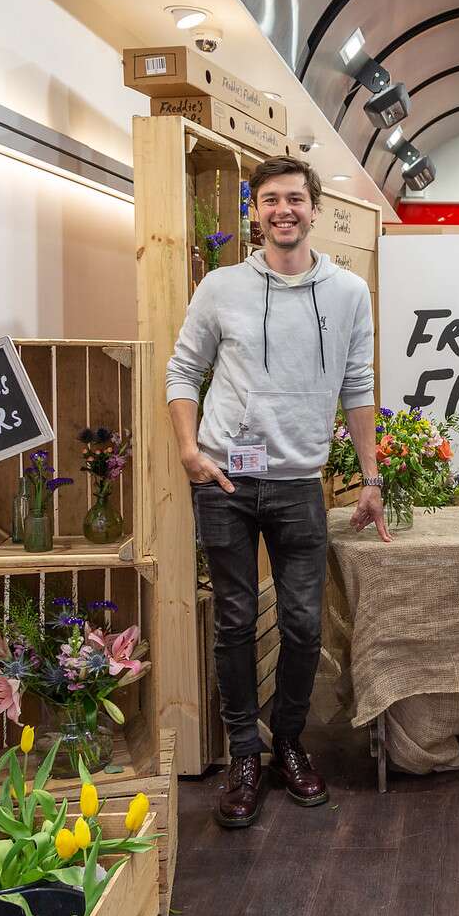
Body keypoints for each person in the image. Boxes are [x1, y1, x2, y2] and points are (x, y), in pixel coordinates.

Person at [166, 154, 389, 829]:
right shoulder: (221, 288)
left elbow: (357, 389)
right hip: (225, 479)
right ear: (254, 211)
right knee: (234, 622)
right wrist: (186, 449)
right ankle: (243, 755)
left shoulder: (349, 294)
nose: (282, 210)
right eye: (269, 200)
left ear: (313, 209)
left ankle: (288, 740)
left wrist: (370, 477)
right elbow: (183, 372)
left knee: (302, 623)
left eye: (294, 198)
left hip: (299, 484)